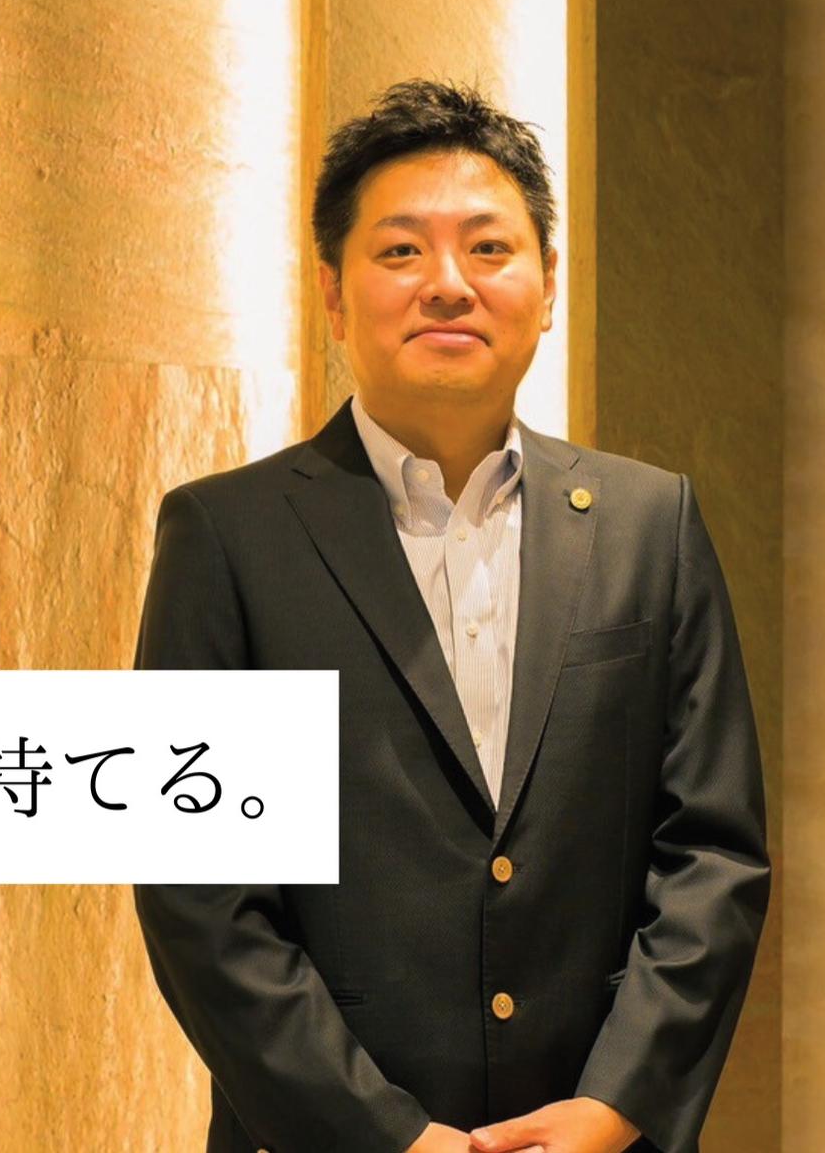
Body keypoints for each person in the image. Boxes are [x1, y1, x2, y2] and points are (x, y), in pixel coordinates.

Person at [131, 80, 770, 1153]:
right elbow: (197, 890)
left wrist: (617, 1105)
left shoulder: (648, 522)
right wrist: (384, 1135)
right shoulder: (226, 536)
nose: (448, 285)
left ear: (547, 285)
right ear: (333, 294)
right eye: (400, 252)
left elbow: (712, 849)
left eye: (488, 248)